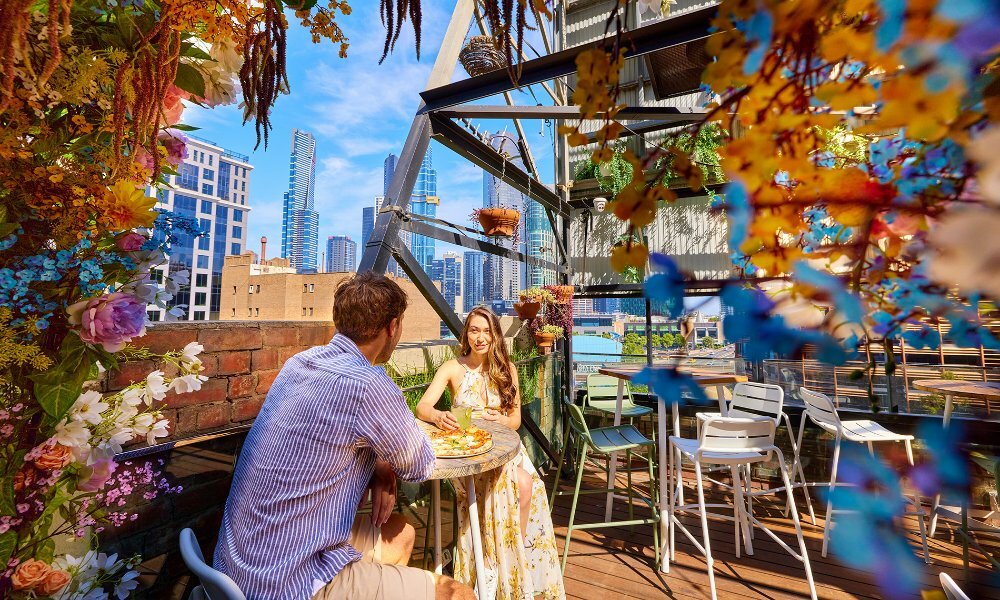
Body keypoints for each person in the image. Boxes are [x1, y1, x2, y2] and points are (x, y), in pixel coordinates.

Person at [214, 272, 474, 600]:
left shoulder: (298, 364)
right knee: (457, 594)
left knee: (401, 533)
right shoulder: (369, 384)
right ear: (393, 327)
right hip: (291, 582)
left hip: (232, 569)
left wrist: (379, 466)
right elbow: (418, 465)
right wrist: (386, 461)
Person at [415, 307, 566, 600]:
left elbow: (515, 421)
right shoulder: (452, 368)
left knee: (527, 485)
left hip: (506, 450)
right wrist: (438, 417)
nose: (480, 337)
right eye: (474, 330)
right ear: (466, 334)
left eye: (486, 331)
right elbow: (423, 407)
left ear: (495, 334)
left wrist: (501, 421)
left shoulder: (507, 368)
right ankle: (495, 563)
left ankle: (508, 563)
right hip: (470, 454)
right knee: (519, 486)